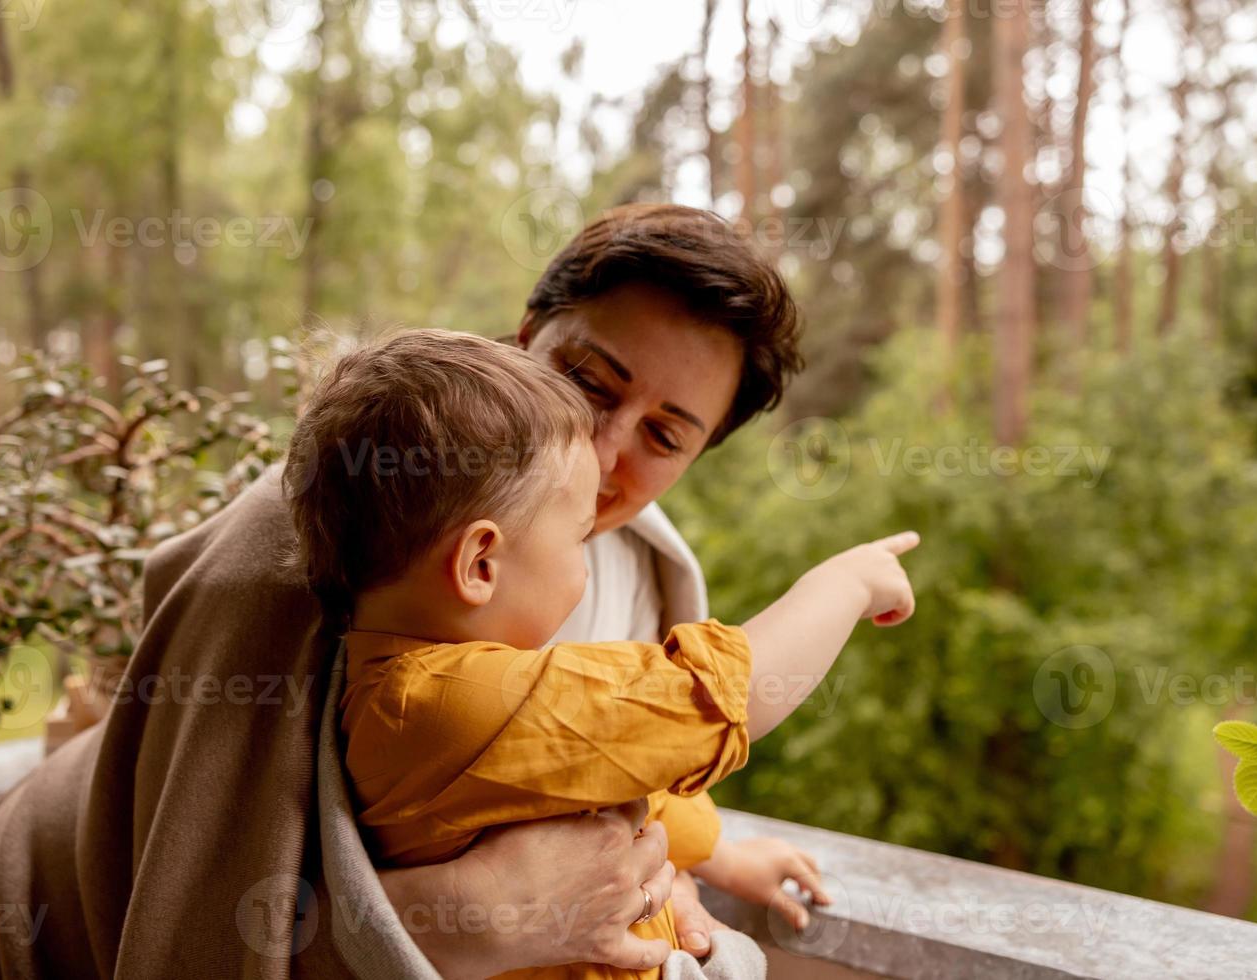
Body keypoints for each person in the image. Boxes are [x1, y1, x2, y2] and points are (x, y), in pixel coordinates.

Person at [0, 204, 821, 979]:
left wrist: (689, 863)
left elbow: (593, 781)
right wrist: (476, 915)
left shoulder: (641, 578)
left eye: (665, 435)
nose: (608, 446)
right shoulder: (328, 531)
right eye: (587, 381)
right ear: (527, 335)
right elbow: (196, 900)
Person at [285, 330, 919, 980]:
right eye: (578, 538)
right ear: (480, 563)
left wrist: (722, 860)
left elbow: (614, 778)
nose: (587, 564)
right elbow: (720, 693)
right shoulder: (466, 702)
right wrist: (846, 584)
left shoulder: (389, 693)